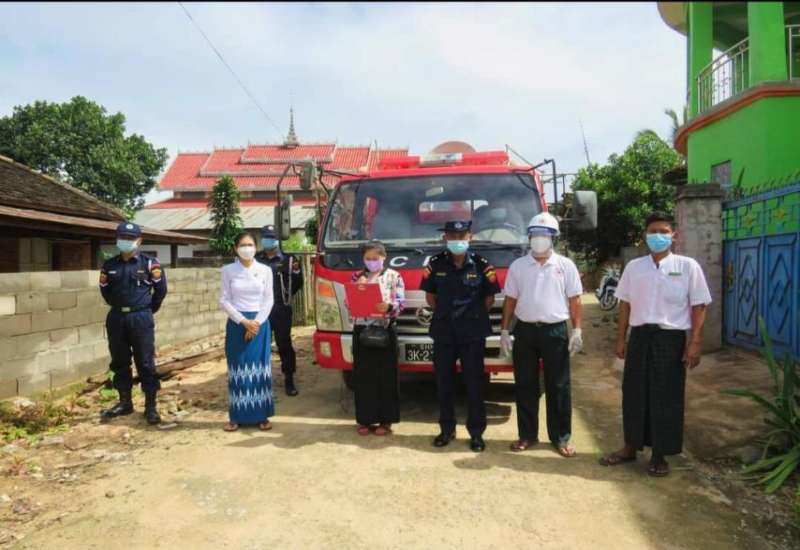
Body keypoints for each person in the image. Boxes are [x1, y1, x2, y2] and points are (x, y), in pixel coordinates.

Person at [599, 211, 711, 477]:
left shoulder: (688, 266)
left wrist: (695, 342)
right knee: (633, 392)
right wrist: (621, 338)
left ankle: (660, 454)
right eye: (653, 231)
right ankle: (630, 446)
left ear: (674, 235)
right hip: (639, 336)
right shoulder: (634, 267)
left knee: (665, 395)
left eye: (664, 231)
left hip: (670, 339)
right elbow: (625, 304)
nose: (658, 236)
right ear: (645, 236)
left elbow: (699, 305)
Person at [500, 212, 583, 458]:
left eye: (545, 235)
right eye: (535, 234)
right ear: (528, 237)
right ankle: (527, 435)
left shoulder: (565, 265)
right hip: (525, 330)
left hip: (554, 330)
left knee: (558, 385)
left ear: (553, 238)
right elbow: (510, 300)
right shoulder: (518, 266)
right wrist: (504, 329)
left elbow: (575, 300)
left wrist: (577, 329)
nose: (539, 239)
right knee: (525, 384)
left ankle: (561, 437)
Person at [420, 220, 501, 452]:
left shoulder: (483, 265)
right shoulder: (434, 264)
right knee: (444, 383)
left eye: (461, 236)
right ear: (445, 237)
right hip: (444, 332)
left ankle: (476, 433)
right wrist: (447, 315)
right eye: (452, 236)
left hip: (472, 333)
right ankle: (447, 429)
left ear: (470, 237)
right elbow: (430, 297)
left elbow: (489, 299)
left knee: (474, 384)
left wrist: (469, 317)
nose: (457, 240)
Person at [98, 222, 167, 425]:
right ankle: (125, 402)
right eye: (122, 237)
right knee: (119, 361)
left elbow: (160, 291)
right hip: (117, 318)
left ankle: (150, 406)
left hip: (141, 318)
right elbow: (105, 291)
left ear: (139, 241)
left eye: (130, 238)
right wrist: (120, 306)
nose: (125, 241)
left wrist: (146, 309)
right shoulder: (109, 265)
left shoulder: (150, 263)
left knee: (145, 362)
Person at [219, 232, 275, 432]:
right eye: (243, 245)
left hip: (260, 323)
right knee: (238, 369)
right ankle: (236, 416)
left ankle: (262, 416)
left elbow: (269, 299)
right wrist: (243, 321)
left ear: (255, 247)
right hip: (237, 324)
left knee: (259, 369)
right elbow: (224, 299)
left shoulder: (265, 270)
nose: (247, 248)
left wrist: (256, 323)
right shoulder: (228, 270)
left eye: (250, 244)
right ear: (236, 248)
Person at [349, 240, 405, 436]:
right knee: (364, 376)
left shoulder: (394, 276)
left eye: (375, 258)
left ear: (384, 257)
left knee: (386, 377)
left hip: (385, 330)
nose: (372, 261)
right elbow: (349, 302)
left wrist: (389, 307)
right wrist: (358, 290)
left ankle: (385, 421)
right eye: (368, 258)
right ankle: (365, 419)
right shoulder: (357, 276)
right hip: (362, 330)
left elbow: (401, 302)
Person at [255, 225, 303, 396]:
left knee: (284, 344)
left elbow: (298, 283)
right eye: (266, 237)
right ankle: (261, 380)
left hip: (280, 309)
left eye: (272, 237)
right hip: (260, 310)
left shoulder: (289, 260)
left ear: (277, 239)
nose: (269, 240)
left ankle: (289, 379)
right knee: (261, 345)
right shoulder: (256, 259)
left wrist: (285, 297)